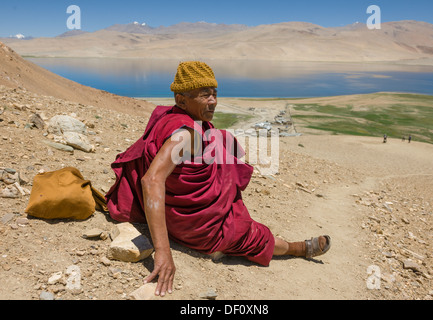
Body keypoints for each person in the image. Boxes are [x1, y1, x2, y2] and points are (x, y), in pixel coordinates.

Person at [105, 61, 331, 297]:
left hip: (178, 210)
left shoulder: (172, 117)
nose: (213, 100)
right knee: (250, 233)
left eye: (214, 94)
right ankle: (297, 248)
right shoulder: (185, 134)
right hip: (197, 226)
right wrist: (163, 252)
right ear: (181, 100)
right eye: (204, 95)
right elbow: (151, 180)